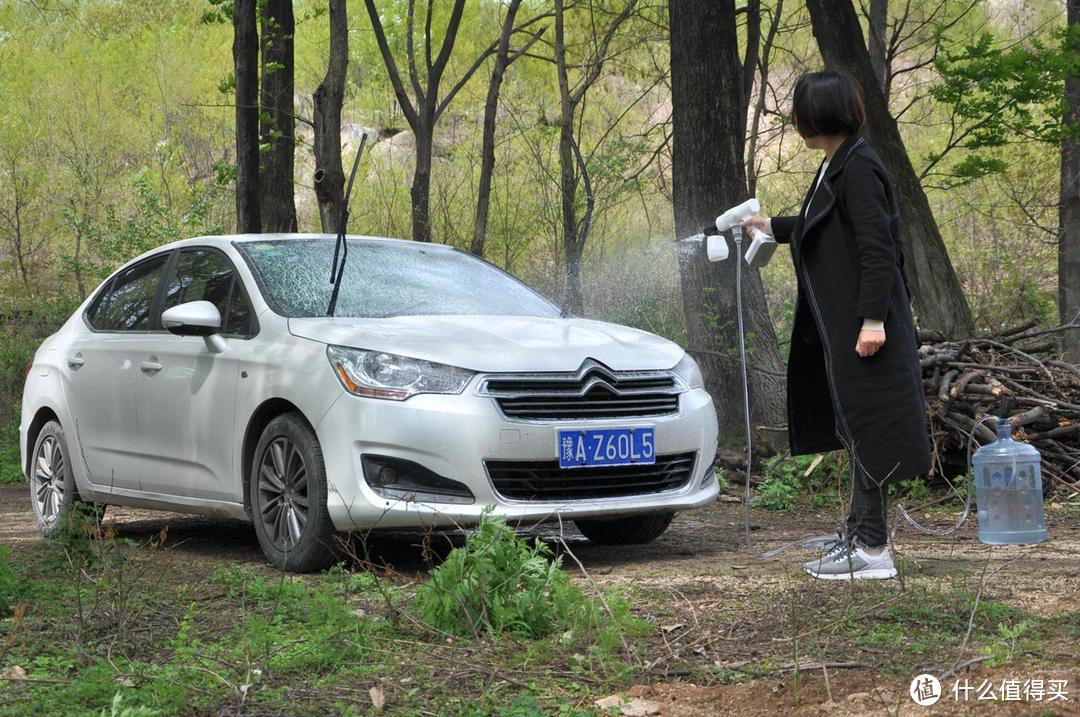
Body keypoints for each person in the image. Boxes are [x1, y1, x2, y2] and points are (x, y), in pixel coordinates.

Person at [742, 70, 931, 580]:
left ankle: (873, 552)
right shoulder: (837, 165)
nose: (796, 121)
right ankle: (859, 535)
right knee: (854, 428)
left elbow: (878, 248)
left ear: (815, 117)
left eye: (800, 112)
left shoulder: (860, 167)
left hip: (868, 329)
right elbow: (817, 223)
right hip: (844, 329)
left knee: (869, 430)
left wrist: (874, 320)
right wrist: (770, 228)